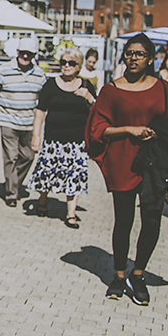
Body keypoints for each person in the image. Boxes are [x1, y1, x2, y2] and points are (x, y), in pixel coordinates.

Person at [87, 34, 168, 305]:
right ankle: (118, 274)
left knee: (152, 218)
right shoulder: (111, 90)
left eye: (139, 54)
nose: (133, 57)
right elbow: (97, 128)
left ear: (151, 59)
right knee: (123, 220)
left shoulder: (163, 88)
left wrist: (161, 133)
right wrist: (128, 129)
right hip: (123, 161)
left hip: (155, 163)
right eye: (129, 53)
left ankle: (137, 274)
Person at [28, 44, 96, 227]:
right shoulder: (50, 85)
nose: (66, 65)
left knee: (74, 176)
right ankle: (42, 201)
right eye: (63, 62)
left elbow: (98, 111)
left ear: (79, 66)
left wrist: (88, 97)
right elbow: (40, 111)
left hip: (77, 142)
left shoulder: (86, 85)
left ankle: (70, 214)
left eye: (71, 63)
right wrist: (36, 136)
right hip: (53, 140)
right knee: (47, 174)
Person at [0, 36, 47, 206]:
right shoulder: (3, 70)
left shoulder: (40, 74)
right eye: (23, 53)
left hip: (29, 122)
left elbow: (45, 100)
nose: (26, 57)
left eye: (29, 54)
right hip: (8, 121)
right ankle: (11, 194)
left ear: (34, 55)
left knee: (28, 156)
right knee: (11, 157)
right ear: (17, 52)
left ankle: (12, 182)